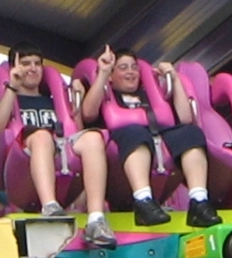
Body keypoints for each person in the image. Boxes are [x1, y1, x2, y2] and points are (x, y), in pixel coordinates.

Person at [0, 46, 116, 248]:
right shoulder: (9, 100)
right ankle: (49, 206)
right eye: (26, 63)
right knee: (42, 137)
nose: (33, 68)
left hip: (60, 162)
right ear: (14, 67)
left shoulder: (55, 101)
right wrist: (12, 87)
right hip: (21, 171)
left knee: (93, 138)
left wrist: (77, 104)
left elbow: (75, 132)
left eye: (37, 64)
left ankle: (96, 220)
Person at [78, 47, 221, 229]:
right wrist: (104, 72)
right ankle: (143, 201)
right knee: (136, 133)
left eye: (134, 67)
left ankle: (199, 201)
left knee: (191, 133)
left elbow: (185, 118)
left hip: (158, 134)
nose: (131, 72)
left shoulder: (151, 95)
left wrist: (174, 79)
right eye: (123, 67)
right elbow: (88, 113)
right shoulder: (106, 95)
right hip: (125, 140)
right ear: (112, 76)